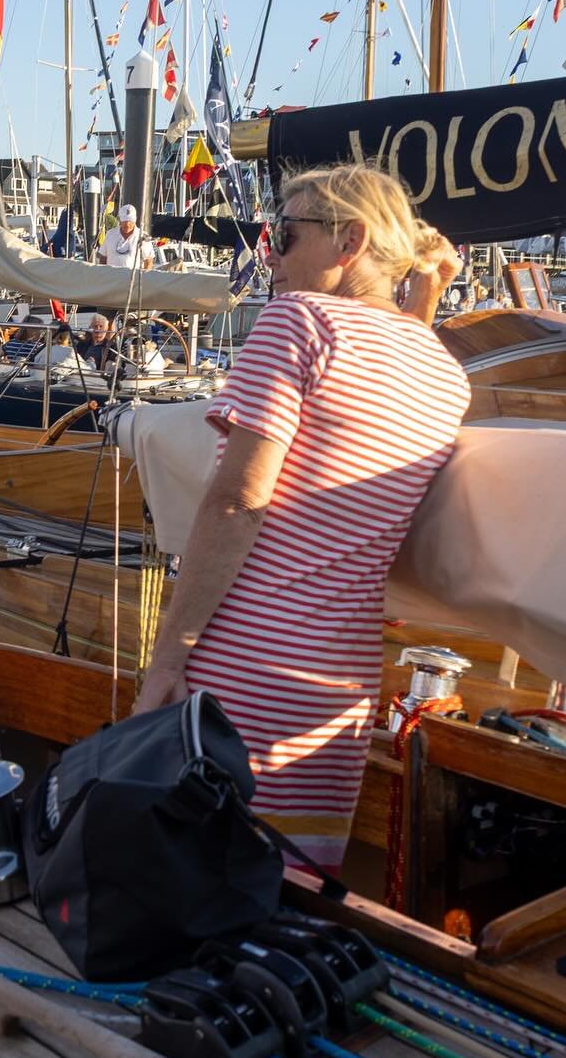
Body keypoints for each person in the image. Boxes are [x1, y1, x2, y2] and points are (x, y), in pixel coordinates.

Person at [134, 163, 470, 872]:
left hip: (242, 660)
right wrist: (424, 297)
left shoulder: (300, 321)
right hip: (337, 684)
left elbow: (239, 503)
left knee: (182, 880)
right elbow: (381, 369)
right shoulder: (445, 373)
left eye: (284, 235)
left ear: (350, 241)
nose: (271, 256)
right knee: (285, 887)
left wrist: (167, 659)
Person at [99, 204, 156, 270]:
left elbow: (148, 261)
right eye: (124, 221)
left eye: (130, 221)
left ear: (135, 220)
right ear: (120, 221)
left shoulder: (143, 236)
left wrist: (144, 275)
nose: (127, 225)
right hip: (111, 275)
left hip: (133, 276)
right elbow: (103, 258)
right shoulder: (110, 234)